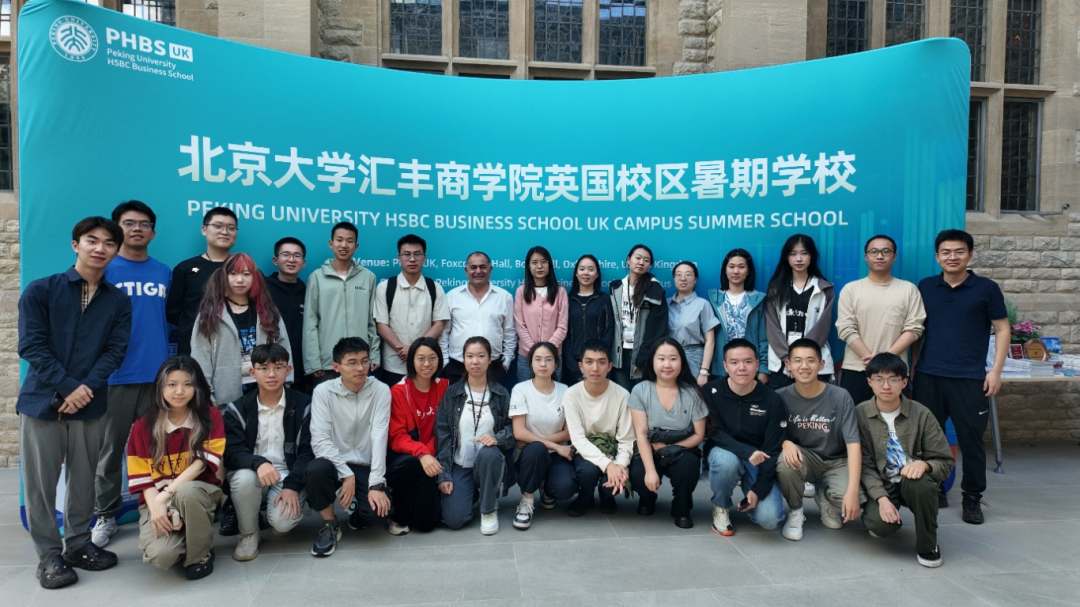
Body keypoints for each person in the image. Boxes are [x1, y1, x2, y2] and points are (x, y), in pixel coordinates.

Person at [18, 217, 131, 589]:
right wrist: (68, 387)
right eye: (91, 240)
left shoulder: (118, 300)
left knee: (84, 480)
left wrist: (85, 389)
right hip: (42, 402)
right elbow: (31, 346)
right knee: (41, 484)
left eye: (109, 243)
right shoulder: (42, 290)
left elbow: (114, 351)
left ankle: (79, 544)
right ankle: (49, 556)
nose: (100, 248)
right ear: (75, 245)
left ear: (116, 250)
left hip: (90, 404)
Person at [913, 229, 1009, 523]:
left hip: (970, 378)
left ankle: (972, 499)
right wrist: (914, 366)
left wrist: (995, 371)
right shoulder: (926, 286)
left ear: (970, 255)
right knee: (929, 439)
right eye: (946, 252)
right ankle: (936, 488)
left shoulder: (986, 289)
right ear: (937, 257)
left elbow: (1002, 329)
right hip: (929, 375)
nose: (952, 257)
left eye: (958, 252)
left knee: (971, 441)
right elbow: (918, 331)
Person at [92, 201, 171, 548]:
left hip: (157, 377)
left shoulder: (164, 272)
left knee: (158, 448)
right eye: (128, 223)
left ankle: (155, 508)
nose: (137, 228)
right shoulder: (104, 270)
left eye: (144, 224)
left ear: (153, 232)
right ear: (117, 228)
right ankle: (106, 515)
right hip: (115, 375)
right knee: (111, 450)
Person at [127, 356, 226, 580]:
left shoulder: (210, 416)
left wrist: (166, 495)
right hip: (156, 498)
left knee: (187, 492)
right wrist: (157, 506)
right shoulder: (143, 426)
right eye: (172, 384)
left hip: (198, 493)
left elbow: (202, 463)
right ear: (160, 387)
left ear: (197, 387)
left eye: (187, 384)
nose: (179, 391)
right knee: (162, 556)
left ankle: (200, 555)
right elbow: (143, 477)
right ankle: (190, 537)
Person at [858, 353, 954, 568]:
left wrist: (925, 464)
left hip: (913, 482)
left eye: (893, 379)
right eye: (879, 379)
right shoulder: (860, 414)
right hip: (883, 483)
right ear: (869, 382)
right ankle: (888, 514)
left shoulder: (922, 414)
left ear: (904, 382)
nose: (886, 386)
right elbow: (865, 466)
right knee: (880, 526)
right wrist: (882, 499)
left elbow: (945, 461)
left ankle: (928, 545)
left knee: (921, 484)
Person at [223, 344, 313, 561]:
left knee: (282, 525)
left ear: (288, 370)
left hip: (288, 475)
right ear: (252, 372)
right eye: (263, 368)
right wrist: (258, 463)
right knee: (243, 479)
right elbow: (232, 452)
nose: (271, 374)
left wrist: (292, 485)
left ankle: (286, 508)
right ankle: (248, 533)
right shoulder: (238, 409)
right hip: (253, 473)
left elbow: (309, 452)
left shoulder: (305, 404)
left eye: (278, 367)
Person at [303, 337, 392, 557]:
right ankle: (329, 525)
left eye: (364, 361)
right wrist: (346, 474)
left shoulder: (381, 390)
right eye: (352, 363)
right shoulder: (323, 391)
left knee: (377, 514)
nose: (360, 368)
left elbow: (379, 436)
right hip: (333, 463)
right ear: (336, 367)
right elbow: (320, 440)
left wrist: (376, 484)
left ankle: (356, 514)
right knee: (315, 470)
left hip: (363, 464)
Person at [775, 339, 862, 541]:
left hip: (836, 459)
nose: (804, 366)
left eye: (811, 360)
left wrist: (852, 492)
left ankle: (824, 497)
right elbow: (772, 433)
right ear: (788, 365)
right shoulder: (780, 397)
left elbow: (853, 444)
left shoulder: (840, 396)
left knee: (852, 498)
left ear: (821, 364)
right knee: (785, 463)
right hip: (804, 457)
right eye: (797, 360)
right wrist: (785, 442)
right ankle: (796, 511)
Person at [704, 338, 786, 536]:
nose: (741, 368)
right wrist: (745, 451)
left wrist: (759, 490)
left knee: (770, 520)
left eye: (748, 362)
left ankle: (751, 498)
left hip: (758, 459)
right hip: (724, 452)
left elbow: (772, 448)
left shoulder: (772, 400)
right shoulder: (711, 391)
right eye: (734, 362)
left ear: (757, 364)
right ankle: (721, 506)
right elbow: (713, 431)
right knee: (726, 461)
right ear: (725, 366)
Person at [435, 336, 516, 535]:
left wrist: (497, 439)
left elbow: (512, 429)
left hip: (489, 462)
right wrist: (444, 474)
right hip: (460, 464)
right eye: (470, 356)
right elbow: (443, 435)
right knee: (454, 520)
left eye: (481, 356)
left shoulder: (500, 393)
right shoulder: (452, 393)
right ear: (463, 360)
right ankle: (472, 495)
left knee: (489, 454)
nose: (475, 361)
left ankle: (489, 509)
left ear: (490, 359)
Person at [191, 253, 292, 406]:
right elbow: (200, 357)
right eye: (233, 274)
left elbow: (284, 348)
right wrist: (207, 396)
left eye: (246, 274)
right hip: (224, 399)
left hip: (267, 396)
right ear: (224, 277)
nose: (239, 280)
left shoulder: (267, 310)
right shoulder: (210, 313)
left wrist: (286, 383)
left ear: (255, 278)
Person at [627, 339, 708, 528]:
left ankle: (682, 508)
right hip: (650, 445)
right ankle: (647, 498)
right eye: (661, 358)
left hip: (682, 448)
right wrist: (650, 471)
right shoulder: (640, 391)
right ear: (652, 362)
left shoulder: (693, 394)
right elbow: (641, 433)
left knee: (688, 467)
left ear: (682, 361)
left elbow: (698, 435)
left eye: (673, 358)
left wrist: (670, 448)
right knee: (638, 474)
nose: (667, 364)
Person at [835, 235, 926, 405]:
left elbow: (914, 328)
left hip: (895, 371)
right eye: (874, 252)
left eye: (886, 251)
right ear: (866, 256)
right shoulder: (851, 289)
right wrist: (872, 360)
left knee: (896, 419)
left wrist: (885, 359)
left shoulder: (909, 289)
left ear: (894, 256)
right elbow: (846, 328)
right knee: (855, 418)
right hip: (857, 369)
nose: (879, 256)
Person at [385, 337, 450, 535]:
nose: (427, 364)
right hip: (406, 460)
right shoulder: (398, 391)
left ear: (439, 360)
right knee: (411, 464)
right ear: (412, 361)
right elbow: (396, 436)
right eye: (421, 358)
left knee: (426, 524)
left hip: (434, 458)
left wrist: (428, 454)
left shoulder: (445, 387)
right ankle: (398, 516)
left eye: (432, 358)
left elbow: (448, 430)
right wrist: (422, 454)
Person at [562, 339, 634, 517]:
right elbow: (578, 439)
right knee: (587, 471)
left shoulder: (623, 395)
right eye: (589, 362)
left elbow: (626, 438)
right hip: (585, 449)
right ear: (581, 366)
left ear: (609, 366)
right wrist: (607, 465)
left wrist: (619, 466)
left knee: (614, 477)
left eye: (601, 362)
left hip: (613, 448)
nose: (595, 368)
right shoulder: (571, 395)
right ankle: (585, 497)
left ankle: (607, 497)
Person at [304, 222, 380, 387]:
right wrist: (313, 362)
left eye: (349, 241)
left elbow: (372, 321)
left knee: (361, 402)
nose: (344, 245)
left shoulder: (368, 277)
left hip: (360, 361)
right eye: (339, 240)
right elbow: (310, 322)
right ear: (331, 243)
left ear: (356, 246)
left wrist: (373, 355)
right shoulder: (317, 277)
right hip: (328, 362)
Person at [510, 342, 574, 530]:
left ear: (556, 364)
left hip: (554, 455)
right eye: (538, 359)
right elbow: (518, 432)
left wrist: (535, 439)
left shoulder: (566, 391)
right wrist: (555, 445)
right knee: (537, 449)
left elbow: (568, 432)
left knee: (565, 487)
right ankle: (527, 500)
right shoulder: (521, 389)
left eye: (548, 359)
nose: (543, 364)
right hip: (530, 455)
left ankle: (546, 487)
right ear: (530, 363)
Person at [374, 234, 450, 387]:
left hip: (426, 365)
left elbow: (439, 324)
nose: (412, 259)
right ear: (399, 257)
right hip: (394, 364)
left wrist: (416, 349)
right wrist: (403, 349)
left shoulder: (434, 288)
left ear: (424, 258)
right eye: (407, 254)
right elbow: (381, 325)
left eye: (417, 254)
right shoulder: (385, 287)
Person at [764, 234, 835, 388]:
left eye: (804, 253)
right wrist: (788, 358)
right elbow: (772, 328)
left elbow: (822, 329)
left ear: (812, 256)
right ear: (786, 257)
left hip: (813, 364)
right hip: (782, 365)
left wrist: (801, 359)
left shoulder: (825, 289)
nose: (799, 259)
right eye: (793, 254)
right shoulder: (775, 289)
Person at [166, 207, 238, 356]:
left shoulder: (244, 269)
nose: (225, 232)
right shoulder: (185, 268)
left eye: (231, 228)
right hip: (194, 350)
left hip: (235, 349)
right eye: (218, 226)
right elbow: (173, 313)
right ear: (204, 230)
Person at [441, 251, 516, 385]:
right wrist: (445, 364)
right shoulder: (452, 296)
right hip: (457, 368)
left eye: (482, 267)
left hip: (494, 368)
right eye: (473, 267)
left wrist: (506, 363)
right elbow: (444, 333)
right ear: (466, 270)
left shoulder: (505, 297)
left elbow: (510, 334)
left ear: (490, 269)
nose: (478, 271)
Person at [610, 244, 669, 391]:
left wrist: (643, 357)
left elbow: (657, 329)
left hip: (642, 354)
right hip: (619, 354)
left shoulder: (655, 290)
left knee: (643, 397)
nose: (641, 262)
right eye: (638, 258)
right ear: (628, 260)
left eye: (646, 260)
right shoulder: (616, 288)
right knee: (623, 396)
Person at [707, 248, 768, 383]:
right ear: (725, 270)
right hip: (720, 368)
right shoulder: (714, 299)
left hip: (749, 368)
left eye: (741, 267)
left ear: (748, 270)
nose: (736, 271)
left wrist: (763, 369)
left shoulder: (758, 299)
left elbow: (763, 338)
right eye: (731, 266)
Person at [513, 246, 569, 382]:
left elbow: (562, 326)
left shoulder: (560, 292)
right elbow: (520, 326)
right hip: (526, 356)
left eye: (544, 262)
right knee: (526, 392)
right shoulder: (521, 291)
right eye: (534, 262)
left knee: (552, 391)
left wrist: (548, 350)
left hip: (553, 356)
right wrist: (534, 351)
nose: (539, 266)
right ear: (528, 266)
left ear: (549, 265)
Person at [563, 254, 615, 384]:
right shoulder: (567, 300)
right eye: (582, 269)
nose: (586, 273)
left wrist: (598, 358)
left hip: (598, 362)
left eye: (591, 269)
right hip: (572, 362)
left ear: (597, 274)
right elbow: (564, 335)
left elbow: (609, 330)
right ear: (576, 273)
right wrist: (574, 368)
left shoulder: (605, 299)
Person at [265, 237, 309, 392]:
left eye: (297, 255)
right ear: (275, 260)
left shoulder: (309, 293)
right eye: (286, 255)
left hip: (302, 369)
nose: (291, 260)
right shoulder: (263, 290)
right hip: (268, 368)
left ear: (303, 262)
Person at [668, 261, 720, 387]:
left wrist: (704, 371)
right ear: (674, 278)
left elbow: (710, 341)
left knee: (693, 394)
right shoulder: (665, 304)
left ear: (695, 279)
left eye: (688, 274)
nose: (683, 278)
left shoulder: (703, 304)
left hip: (693, 356)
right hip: (669, 356)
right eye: (678, 275)